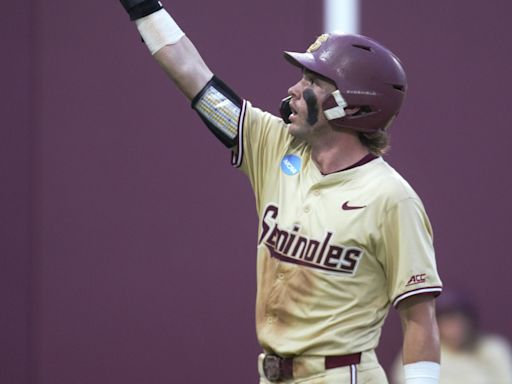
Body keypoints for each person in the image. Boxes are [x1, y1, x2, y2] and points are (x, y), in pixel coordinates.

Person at [118, 1, 443, 383]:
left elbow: (419, 319)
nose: (293, 88)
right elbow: (194, 77)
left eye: (312, 82)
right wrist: (143, 7)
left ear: (351, 105)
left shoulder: (392, 198)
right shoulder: (274, 146)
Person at [392, 290, 512, 384]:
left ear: (470, 322)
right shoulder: (419, 351)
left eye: (458, 322)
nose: (454, 329)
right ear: (436, 326)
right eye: (447, 323)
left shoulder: (493, 349)